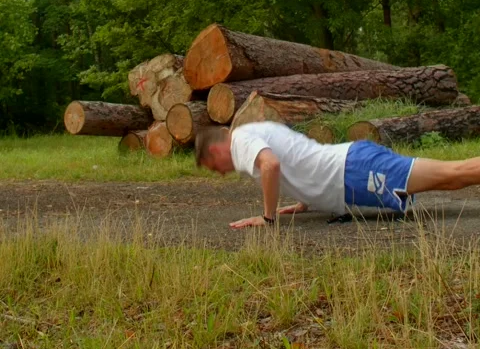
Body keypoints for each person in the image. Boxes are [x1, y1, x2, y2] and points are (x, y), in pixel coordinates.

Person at [195, 121, 480, 229]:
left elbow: (272, 166)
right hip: (352, 167)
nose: (219, 173)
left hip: (355, 169)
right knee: (452, 175)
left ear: (215, 149)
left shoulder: (239, 140)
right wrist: (306, 200)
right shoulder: (251, 132)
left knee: (454, 174)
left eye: (212, 166)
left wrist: (268, 218)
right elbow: (297, 154)